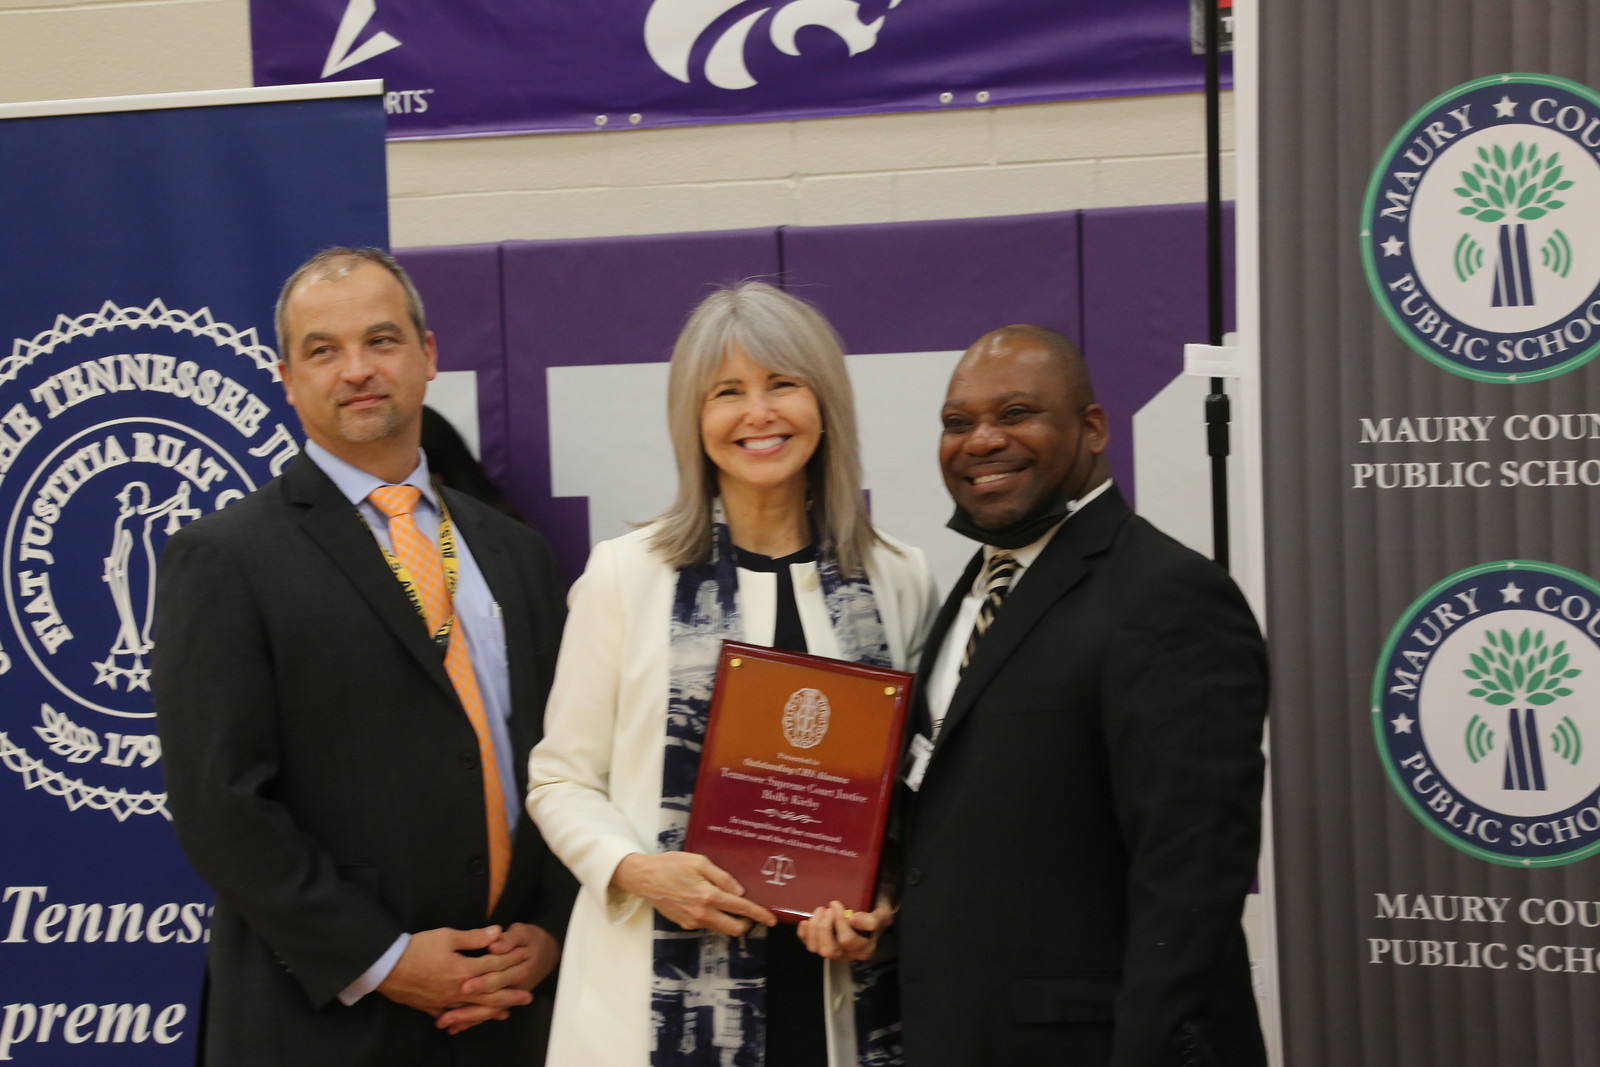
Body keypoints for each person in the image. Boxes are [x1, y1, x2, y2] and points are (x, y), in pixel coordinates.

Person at [152, 247, 574, 1065]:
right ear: (286, 376)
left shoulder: (517, 555)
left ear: (428, 355)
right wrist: (382, 958)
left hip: (511, 1011)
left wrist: (553, 931)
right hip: (325, 1022)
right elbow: (221, 805)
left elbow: (568, 761)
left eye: (381, 340)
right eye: (323, 349)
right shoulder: (226, 557)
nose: (357, 370)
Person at [526, 281, 938, 1065]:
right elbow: (560, 778)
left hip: (832, 983)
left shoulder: (897, 577)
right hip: (659, 984)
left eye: (783, 383)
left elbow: (913, 795)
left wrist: (881, 897)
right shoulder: (626, 575)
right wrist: (638, 869)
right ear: (695, 418)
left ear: (825, 405)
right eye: (728, 392)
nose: (759, 414)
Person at [897, 326, 1268, 1066]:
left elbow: (1191, 872)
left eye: (1017, 413)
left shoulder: (1168, 593)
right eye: (958, 422)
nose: (981, 440)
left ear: (1092, 430)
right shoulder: (975, 588)